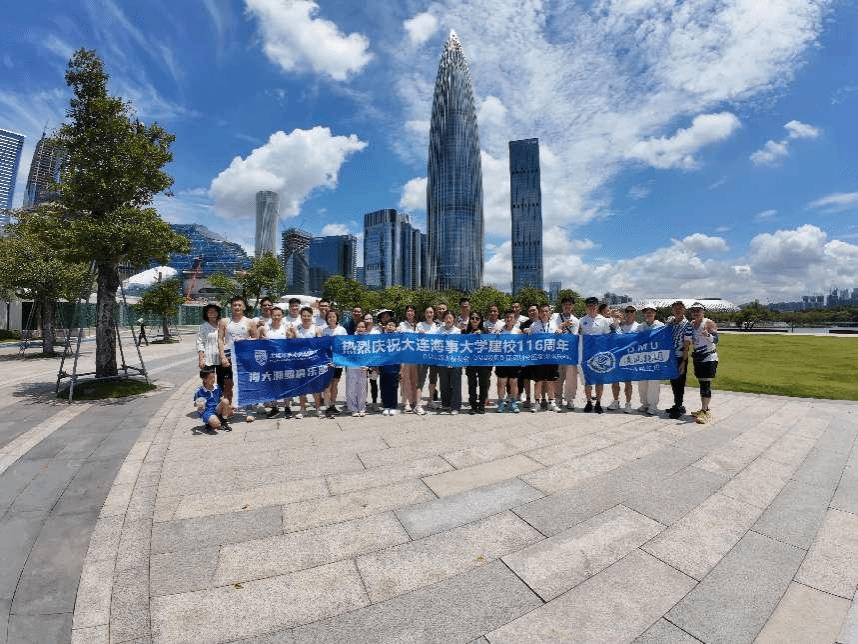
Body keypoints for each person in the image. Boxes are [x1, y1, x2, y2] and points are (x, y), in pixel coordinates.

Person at [218, 295, 257, 421]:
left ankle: (249, 410)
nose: (237, 307)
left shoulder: (250, 322)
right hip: (229, 357)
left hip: (244, 358)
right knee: (228, 384)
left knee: (246, 383)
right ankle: (228, 410)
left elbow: (256, 339)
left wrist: (245, 341)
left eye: (239, 305)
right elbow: (220, 339)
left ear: (244, 307)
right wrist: (222, 356)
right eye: (234, 305)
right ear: (231, 307)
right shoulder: (225, 321)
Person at [289, 306, 323, 418]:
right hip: (300, 363)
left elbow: (321, 346)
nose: (306, 317)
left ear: (311, 316)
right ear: (300, 316)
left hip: (313, 362)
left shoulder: (316, 329)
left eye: (308, 315)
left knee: (316, 387)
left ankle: (318, 409)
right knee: (301, 387)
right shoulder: (296, 328)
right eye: (304, 315)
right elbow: (291, 343)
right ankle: (302, 409)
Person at [579, 296, 611, 413]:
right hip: (586, 355)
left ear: (597, 307)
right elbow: (578, 336)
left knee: (599, 380)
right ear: (586, 307)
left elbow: (608, 337)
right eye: (589, 306)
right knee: (587, 380)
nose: (591, 308)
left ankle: (598, 402)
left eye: (593, 305)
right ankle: (588, 402)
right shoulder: (582, 320)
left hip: (599, 355)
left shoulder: (604, 320)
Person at [259, 306, 291, 418]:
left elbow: (292, 343)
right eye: (274, 315)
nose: (276, 317)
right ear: (271, 315)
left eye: (279, 315)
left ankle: (287, 407)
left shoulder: (286, 328)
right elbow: (258, 344)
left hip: (284, 361)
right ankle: (274, 407)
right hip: (270, 361)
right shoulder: (265, 329)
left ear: (282, 316)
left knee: (286, 384)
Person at [527, 304, 561, 413]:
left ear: (550, 313)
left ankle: (551, 402)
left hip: (551, 357)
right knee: (538, 381)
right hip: (538, 358)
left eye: (546, 311)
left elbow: (559, 340)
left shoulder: (554, 324)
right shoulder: (534, 325)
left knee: (551, 381)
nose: (544, 313)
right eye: (542, 311)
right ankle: (537, 402)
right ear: (539, 313)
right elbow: (528, 339)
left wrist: (559, 333)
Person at [689, 302, 719, 424]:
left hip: (709, 357)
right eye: (693, 311)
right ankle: (704, 408)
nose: (696, 313)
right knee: (702, 383)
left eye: (698, 310)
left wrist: (708, 335)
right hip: (698, 357)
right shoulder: (692, 324)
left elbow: (716, 339)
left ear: (703, 312)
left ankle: (704, 410)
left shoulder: (708, 323)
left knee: (706, 384)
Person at [607, 304, 640, 413]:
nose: (629, 313)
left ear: (635, 313)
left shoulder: (638, 327)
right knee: (615, 381)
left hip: (629, 357)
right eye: (627, 311)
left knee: (628, 382)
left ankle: (628, 403)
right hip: (616, 357)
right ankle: (616, 401)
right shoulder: (618, 326)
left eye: (632, 311)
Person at [666, 300, 693, 419]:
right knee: (673, 381)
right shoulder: (670, 323)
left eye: (680, 308)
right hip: (671, 357)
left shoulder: (687, 325)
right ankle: (677, 404)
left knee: (680, 382)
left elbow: (687, 345)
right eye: (675, 308)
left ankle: (679, 405)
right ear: (672, 310)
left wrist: (683, 361)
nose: (678, 310)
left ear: (684, 310)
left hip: (680, 357)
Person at [636, 303, 664, 415]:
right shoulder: (640, 327)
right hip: (642, 359)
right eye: (646, 312)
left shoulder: (660, 326)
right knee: (642, 383)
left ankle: (653, 406)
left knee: (653, 384)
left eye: (651, 311)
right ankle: (645, 404)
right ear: (644, 314)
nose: (649, 314)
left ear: (654, 313)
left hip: (655, 358)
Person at [552, 296, 579, 410]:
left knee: (571, 377)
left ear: (572, 306)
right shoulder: (555, 317)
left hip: (570, 353)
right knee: (558, 377)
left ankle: (569, 399)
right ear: (562, 306)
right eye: (565, 304)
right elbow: (551, 330)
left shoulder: (576, 320)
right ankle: (557, 398)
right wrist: (561, 326)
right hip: (557, 351)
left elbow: (575, 335)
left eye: (569, 305)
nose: (567, 307)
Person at [463, 311, 491, 414]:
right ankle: (473, 406)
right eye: (472, 318)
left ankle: (482, 405)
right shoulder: (465, 332)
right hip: (470, 362)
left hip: (483, 362)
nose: (474, 320)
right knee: (472, 384)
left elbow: (491, 345)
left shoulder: (485, 332)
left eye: (477, 318)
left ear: (480, 320)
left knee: (483, 384)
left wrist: (482, 336)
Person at [494, 310, 521, 413]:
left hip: (514, 361)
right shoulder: (499, 331)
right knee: (501, 382)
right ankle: (501, 402)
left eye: (511, 317)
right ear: (504, 319)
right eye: (507, 317)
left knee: (513, 382)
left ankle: (513, 402)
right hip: (502, 361)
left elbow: (523, 345)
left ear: (514, 319)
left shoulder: (518, 331)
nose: (509, 319)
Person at [436, 310, 462, 414]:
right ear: (443, 319)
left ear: (454, 320)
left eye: (450, 318)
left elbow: (460, 346)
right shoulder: (439, 331)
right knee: (444, 383)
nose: (448, 320)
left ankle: (455, 406)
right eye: (446, 318)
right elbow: (435, 344)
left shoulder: (458, 331)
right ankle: (446, 404)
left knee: (455, 384)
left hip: (455, 361)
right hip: (442, 361)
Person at [321, 309, 347, 415]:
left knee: (335, 383)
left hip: (338, 361)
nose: (331, 319)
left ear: (337, 318)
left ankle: (333, 404)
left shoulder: (342, 330)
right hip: (327, 361)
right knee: (327, 385)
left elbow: (345, 344)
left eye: (333, 317)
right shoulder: (324, 331)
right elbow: (322, 346)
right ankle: (327, 405)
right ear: (327, 319)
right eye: (329, 317)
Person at [398, 305, 422, 413]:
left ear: (414, 313)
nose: (410, 313)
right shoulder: (402, 325)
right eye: (408, 311)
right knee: (405, 378)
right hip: (405, 355)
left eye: (412, 311)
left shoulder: (419, 325)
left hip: (417, 356)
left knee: (415, 379)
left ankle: (414, 400)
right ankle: (406, 402)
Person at [194, 368, 234, 432]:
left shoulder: (217, 388)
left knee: (227, 404)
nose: (213, 380)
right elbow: (197, 402)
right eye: (211, 378)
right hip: (208, 412)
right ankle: (209, 423)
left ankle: (224, 421)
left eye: (214, 377)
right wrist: (199, 405)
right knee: (217, 425)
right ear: (204, 379)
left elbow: (221, 398)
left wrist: (228, 406)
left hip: (216, 409)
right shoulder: (199, 391)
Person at [416, 306, 438, 409]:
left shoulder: (437, 326)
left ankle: (430, 400)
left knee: (433, 379)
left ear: (434, 314)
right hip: (422, 356)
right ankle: (418, 402)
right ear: (424, 314)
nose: (429, 314)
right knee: (421, 379)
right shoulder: (420, 325)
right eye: (427, 312)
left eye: (431, 312)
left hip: (434, 356)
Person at [517, 304, 539, 408]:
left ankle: (539, 399)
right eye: (530, 311)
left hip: (539, 356)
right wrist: (522, 332)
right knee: (526, 378)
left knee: (539, 379)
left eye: (534, 310)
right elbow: (518, 337)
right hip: (526, 355)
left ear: (538, 311)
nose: (532, 312)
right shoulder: (524, 324)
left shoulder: (542, 323)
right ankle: (528, 398)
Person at [345, 320, 369, 416]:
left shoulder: (368, 340)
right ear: (356, 328)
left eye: (363, 327)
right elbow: (347, 353)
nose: (361, 329)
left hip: (363, 368)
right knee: (351, 389)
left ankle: (361, 407)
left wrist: (367, 365)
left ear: (365, 329)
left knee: (362, 389)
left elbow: (370, 354)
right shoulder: (350, 339)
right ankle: (353, 408)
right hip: (352, 367)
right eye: (359, 327)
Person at [378, 319, 401, 415]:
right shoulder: (381, 336)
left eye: (392, 325)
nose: (390, 326)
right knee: (383, 386)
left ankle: (393, 406)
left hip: (394, 366)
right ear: (385, 326)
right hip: (383, 366)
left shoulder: (399, 337)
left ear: (396, 327)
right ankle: (386, 406)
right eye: (388, 325)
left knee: (393, 386)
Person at [196, 303, 221, 375]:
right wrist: (201, 359)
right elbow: (200, 343)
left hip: (221, 359)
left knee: (223, 380)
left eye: (215, 311)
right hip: (208, 359)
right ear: (206, 314)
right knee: (209, 380)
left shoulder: (222, 325)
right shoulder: (203, 327)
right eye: (210, 311)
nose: (213, 313)